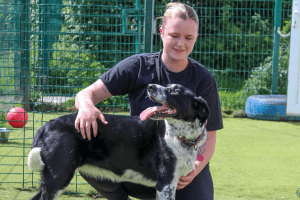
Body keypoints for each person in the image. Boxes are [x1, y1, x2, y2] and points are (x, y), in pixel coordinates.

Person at [75, 2, 223, 200]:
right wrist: (86, 107)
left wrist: (194, 170)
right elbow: (86, 94)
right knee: (84, 151)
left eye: (188, 37)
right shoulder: (137, 66)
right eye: (174, 35)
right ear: (161, 32)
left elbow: (210, 136)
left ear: (196, 37)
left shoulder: (204, 80)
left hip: (182, 169)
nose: (181, 43)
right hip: (139, 163)